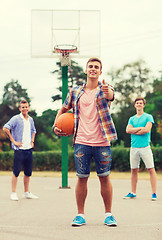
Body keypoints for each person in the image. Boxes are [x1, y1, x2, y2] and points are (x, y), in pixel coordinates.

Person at [52, 57, 118, 227]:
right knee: (82, 178)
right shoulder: (75, 92)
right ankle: (80, 215)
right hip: (82, 141)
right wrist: (55, 123)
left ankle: (108, 214)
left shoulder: (105, 89)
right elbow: (64, 108)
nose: (93, 69)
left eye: (97, 67)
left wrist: (108, 91)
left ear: (100, 71)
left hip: (102, 141)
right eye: (91, 66)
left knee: (104, 177)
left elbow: (111, 95)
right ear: (86, 70)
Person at [3, 100, 39, 201]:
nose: (25, 109)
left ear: (28, 108)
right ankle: (13, 193)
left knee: (28, 172)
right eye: (22, 107)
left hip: (29, 149)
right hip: (19, 150)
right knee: (16, 172)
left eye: (26, 107)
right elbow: (5, 128)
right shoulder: (16, 119)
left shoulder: (31, 119)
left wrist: (32, 141)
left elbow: (34, 131)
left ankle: (26, 192)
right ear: (20, 109)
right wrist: (13, 141)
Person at [124, 97, 157, 201]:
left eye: (140, 103)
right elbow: (127, 130)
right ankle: (133, 192)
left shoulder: (148, 117)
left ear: (143, 105)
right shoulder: (132, 119)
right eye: (137, 103)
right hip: (134, 148)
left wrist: (134, 130)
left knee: (151, 169)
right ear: (135, 105)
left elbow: (147, 129)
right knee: (134, 170)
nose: (139, 104)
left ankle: (154, 193)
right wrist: (139, 129)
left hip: (145, 148)